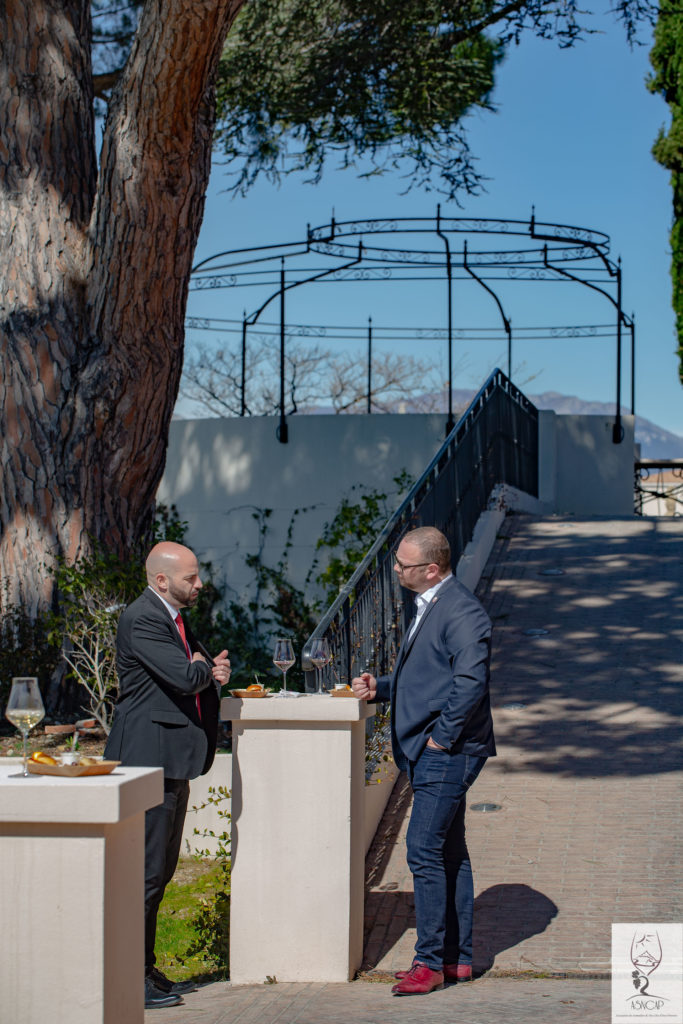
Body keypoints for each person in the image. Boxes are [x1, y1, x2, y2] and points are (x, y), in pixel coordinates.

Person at [351, 526, 495, 996]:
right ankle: (456, 959)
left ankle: (428, 963)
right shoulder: (430, 604)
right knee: (449, 851)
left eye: (403, 565)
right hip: (433, 749)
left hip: (447, 752)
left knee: (422, 850)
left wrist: (440, 740)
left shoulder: (463, 611)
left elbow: (469, 683)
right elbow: (428, 673)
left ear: (431, 569)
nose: (395, 570)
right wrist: (383, 687)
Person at [104, 542, 231, 1009]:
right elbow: (186, 677)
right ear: (162, 580)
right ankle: (129, 978)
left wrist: (206, 669)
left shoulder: (171, 617)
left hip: (169, 760)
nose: (199, 585)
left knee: (159, 871)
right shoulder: (143, 618)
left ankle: (144, 967)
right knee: (144, 874)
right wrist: (203, 670)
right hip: (146, 760)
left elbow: (199, 668)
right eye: (190, 578)